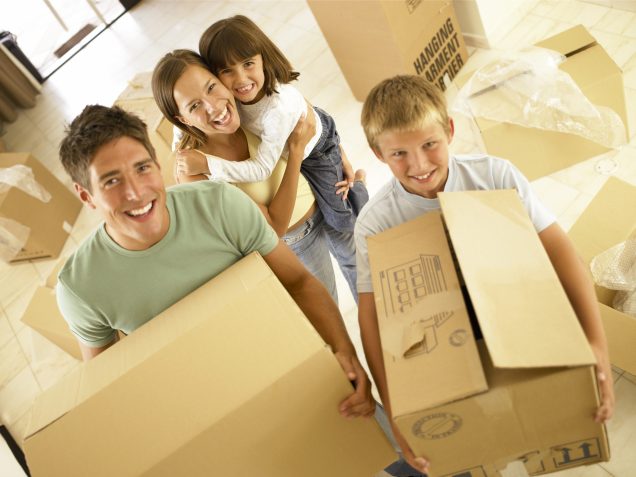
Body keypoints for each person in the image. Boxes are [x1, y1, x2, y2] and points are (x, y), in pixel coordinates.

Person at [355, 75, 615, 474]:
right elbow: (372, 317)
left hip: (509, 300)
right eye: (399, 154)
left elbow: (561, 251)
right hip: (441, 327)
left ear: (450, 131)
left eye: (429, 145)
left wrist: (596, 345)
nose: (420, 165)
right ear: (378, 154)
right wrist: (395, 409)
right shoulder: (376, 222)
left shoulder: (494, 176)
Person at [55, 104, 374, 422]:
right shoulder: (80, 287)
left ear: (156, 163)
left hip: (291, 365)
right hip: (206, 413)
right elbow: (110, 387)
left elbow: (299, 282)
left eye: (142, 168)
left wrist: (343, 351)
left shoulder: (221, 203)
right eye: (111, 181)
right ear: (87, 196)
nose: (136, 192)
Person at [152, 49, 360, 304]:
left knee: (362, 271)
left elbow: (303, 113)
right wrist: (295, 154)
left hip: (325, 196)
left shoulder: (245, 101)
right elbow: (272, 228)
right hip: (297, 244)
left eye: (211, 87)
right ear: (181, 118)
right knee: (328, 312)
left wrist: (339, 154)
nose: (214, 106)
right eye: (194, 105)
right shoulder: (194, 172)